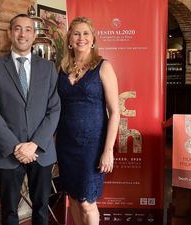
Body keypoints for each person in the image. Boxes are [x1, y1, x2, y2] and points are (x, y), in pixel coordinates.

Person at [0, 14, 60, 225]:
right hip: (8, 152)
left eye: (27, 29)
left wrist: (34, 144)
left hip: (41, 152)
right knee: (9, 211)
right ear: (10, 33)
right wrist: (16, 147)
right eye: (17, 28)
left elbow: (54, 108)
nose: (22, 34)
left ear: (34, 36)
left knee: (42, 209)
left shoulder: (48, 68)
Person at [56, 17, 120, 225]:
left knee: (87, 203)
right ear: (69, 40)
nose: (81, 38)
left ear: (93, 40)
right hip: (66, 144)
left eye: (86, 33)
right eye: (76, 33)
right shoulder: (61, 69)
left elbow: (115, 112)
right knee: (73, 199)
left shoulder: (103, 67)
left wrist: (108, 150)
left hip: (92, 146)